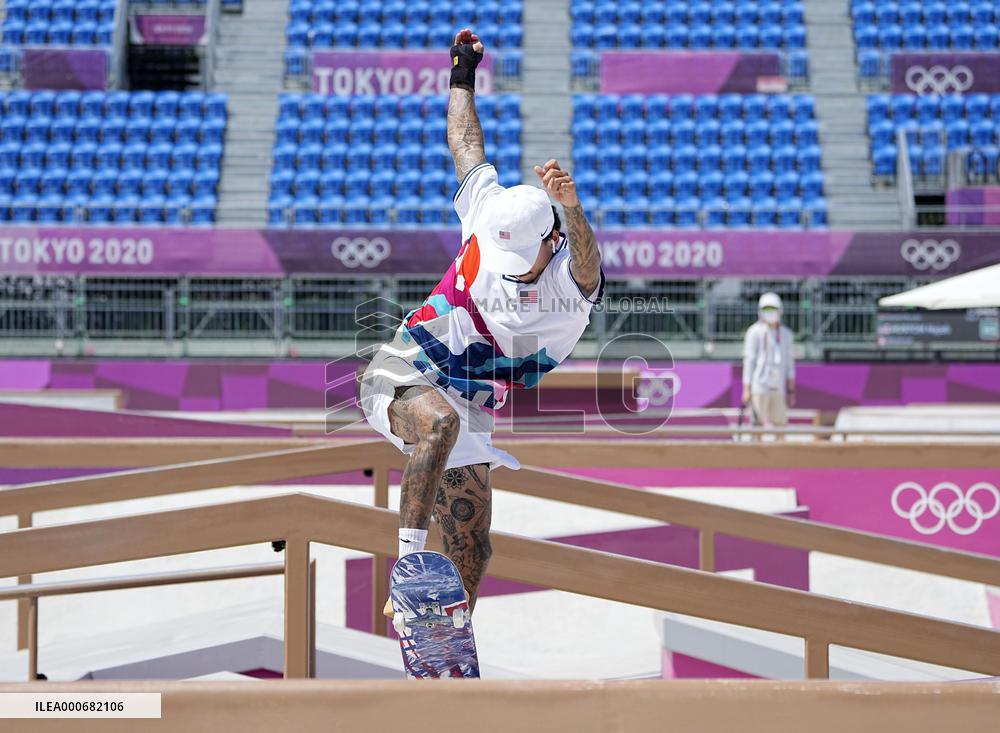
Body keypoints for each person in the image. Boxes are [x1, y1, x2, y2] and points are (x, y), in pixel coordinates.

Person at [360, 29, 605, 619]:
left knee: (473, 540)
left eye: (527, 264)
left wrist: (572, 209)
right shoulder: (487, 211)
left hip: (472, 406)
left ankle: (454, 622)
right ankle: (409, 564)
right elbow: (464, 139)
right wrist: (462, 73)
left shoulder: (569, 291)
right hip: (400, 372)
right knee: (437, 423)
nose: (515, 275)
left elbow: (589, 265)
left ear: (552, 240)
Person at [741, 292, 796, 430]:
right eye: (767, 310)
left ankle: (780, 452)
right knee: (757, 425)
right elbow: (749, 361)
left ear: (780, 311)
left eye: (773, 309)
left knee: (780, 425)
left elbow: (790, 364)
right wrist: (747, 389)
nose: (770, 313)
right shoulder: (754, 332)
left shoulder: (786, 334)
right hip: (759, 386)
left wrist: (791, 391)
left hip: (779, 386)